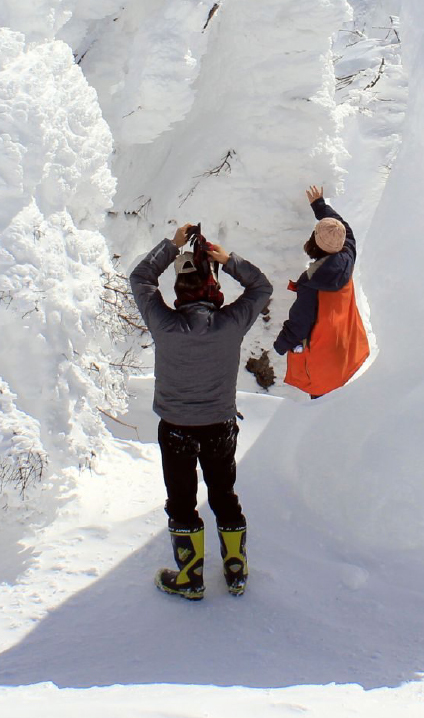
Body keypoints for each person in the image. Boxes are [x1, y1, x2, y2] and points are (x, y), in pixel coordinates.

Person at [129, 221, 272, 600]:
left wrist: (173, 246)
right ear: (216, 292)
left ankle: (191, 577)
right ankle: (236, 570)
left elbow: (141, 277)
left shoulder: (165, 324)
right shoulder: (231, 324)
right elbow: (262, 287)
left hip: (176, 427)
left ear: (178, 294)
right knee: (224, 495)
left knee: (181, 501)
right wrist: (228, 260)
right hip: (220, 426)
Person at [272, 185, 365, 397]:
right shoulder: (347, 256)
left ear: (315, 242)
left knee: (320, 410)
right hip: (347, 348)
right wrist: (320, 206)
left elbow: (300, 323)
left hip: (324, 360)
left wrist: (281, 344)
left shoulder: (312, 283)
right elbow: (346, 230)